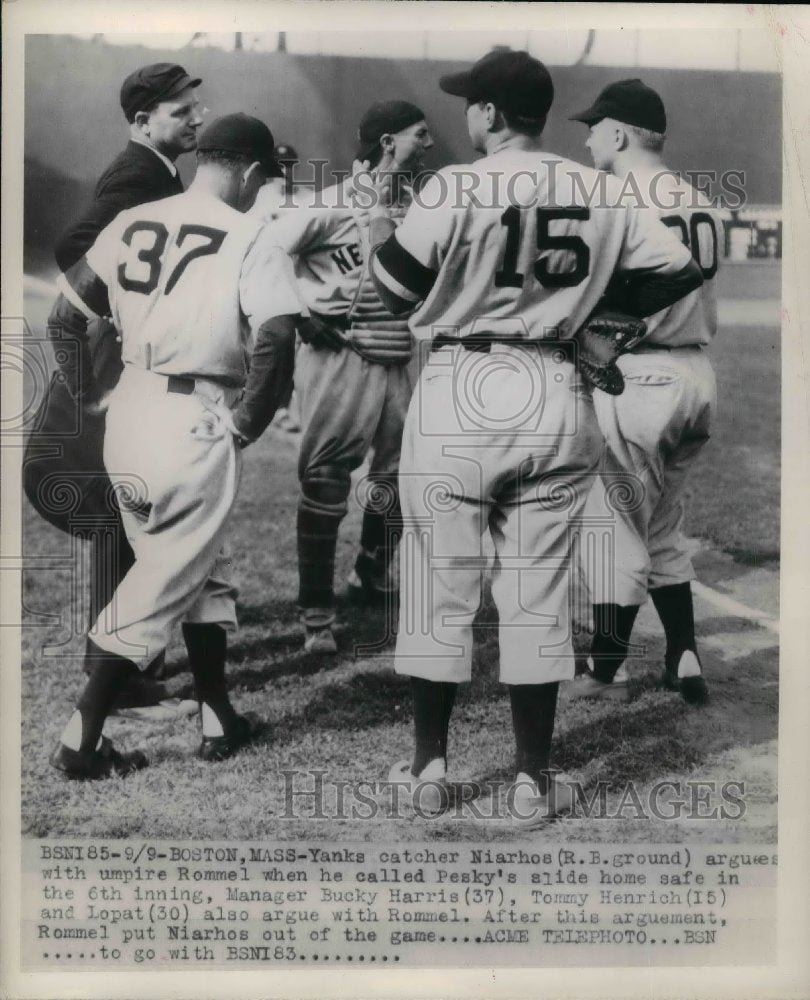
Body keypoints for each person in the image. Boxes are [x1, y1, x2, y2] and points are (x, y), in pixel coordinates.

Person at [368, 50, 704, 823]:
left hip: (460, 384)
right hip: (554, 384)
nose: (466, 114)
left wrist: (383, 220)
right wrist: (601, 321)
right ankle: (530, 781)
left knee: (439, 583)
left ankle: (428, 769)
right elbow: (679, 269)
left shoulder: (455, 184)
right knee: (537, 591)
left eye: (471, 104)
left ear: (490, 113)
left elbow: (391, 291)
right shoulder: (598, 186)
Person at [46, 113, 303, 779]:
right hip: (196, 414)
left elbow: (65, 315)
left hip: (131, 409)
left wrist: (89, 396)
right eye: (261, 180)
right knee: (162, 576)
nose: (258, 191)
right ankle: (81, 739)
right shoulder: (252, 234)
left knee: (200, 563)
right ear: (250, 171)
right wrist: (247, 424)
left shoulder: (136, 220)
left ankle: (218, 714)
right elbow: (277, 336)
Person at [25, 63, 204, 711]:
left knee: (126, 522)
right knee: (119, 521)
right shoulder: (138, 175)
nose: (197, 119)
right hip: (98, 384)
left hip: (111, 375)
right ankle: (117, 675)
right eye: (182, 111)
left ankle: (124, 667)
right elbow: (76, 244)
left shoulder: (158, 170)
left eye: (196, 108)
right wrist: (122, 304)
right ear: (143, 122)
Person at [256, 101, 434, 653]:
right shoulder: (330, 203)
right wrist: (299, 313)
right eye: (420, 134)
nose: (429, 144)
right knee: (328, 477)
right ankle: (316, 616)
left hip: (402, 351)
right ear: (388, 142)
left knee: (399, 475)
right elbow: (262, 251)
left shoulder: (420, 208)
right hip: (341, 351)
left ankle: (371, 573)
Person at [570, 79, 719, 704]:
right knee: (662, 527)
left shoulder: (614, 198)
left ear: (619, 133)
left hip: (638, 376)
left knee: (616, 528)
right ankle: (683, 655)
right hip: (696, 374)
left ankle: (604, 672)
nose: (588, 140)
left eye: (594, 128)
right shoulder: (698, 197)